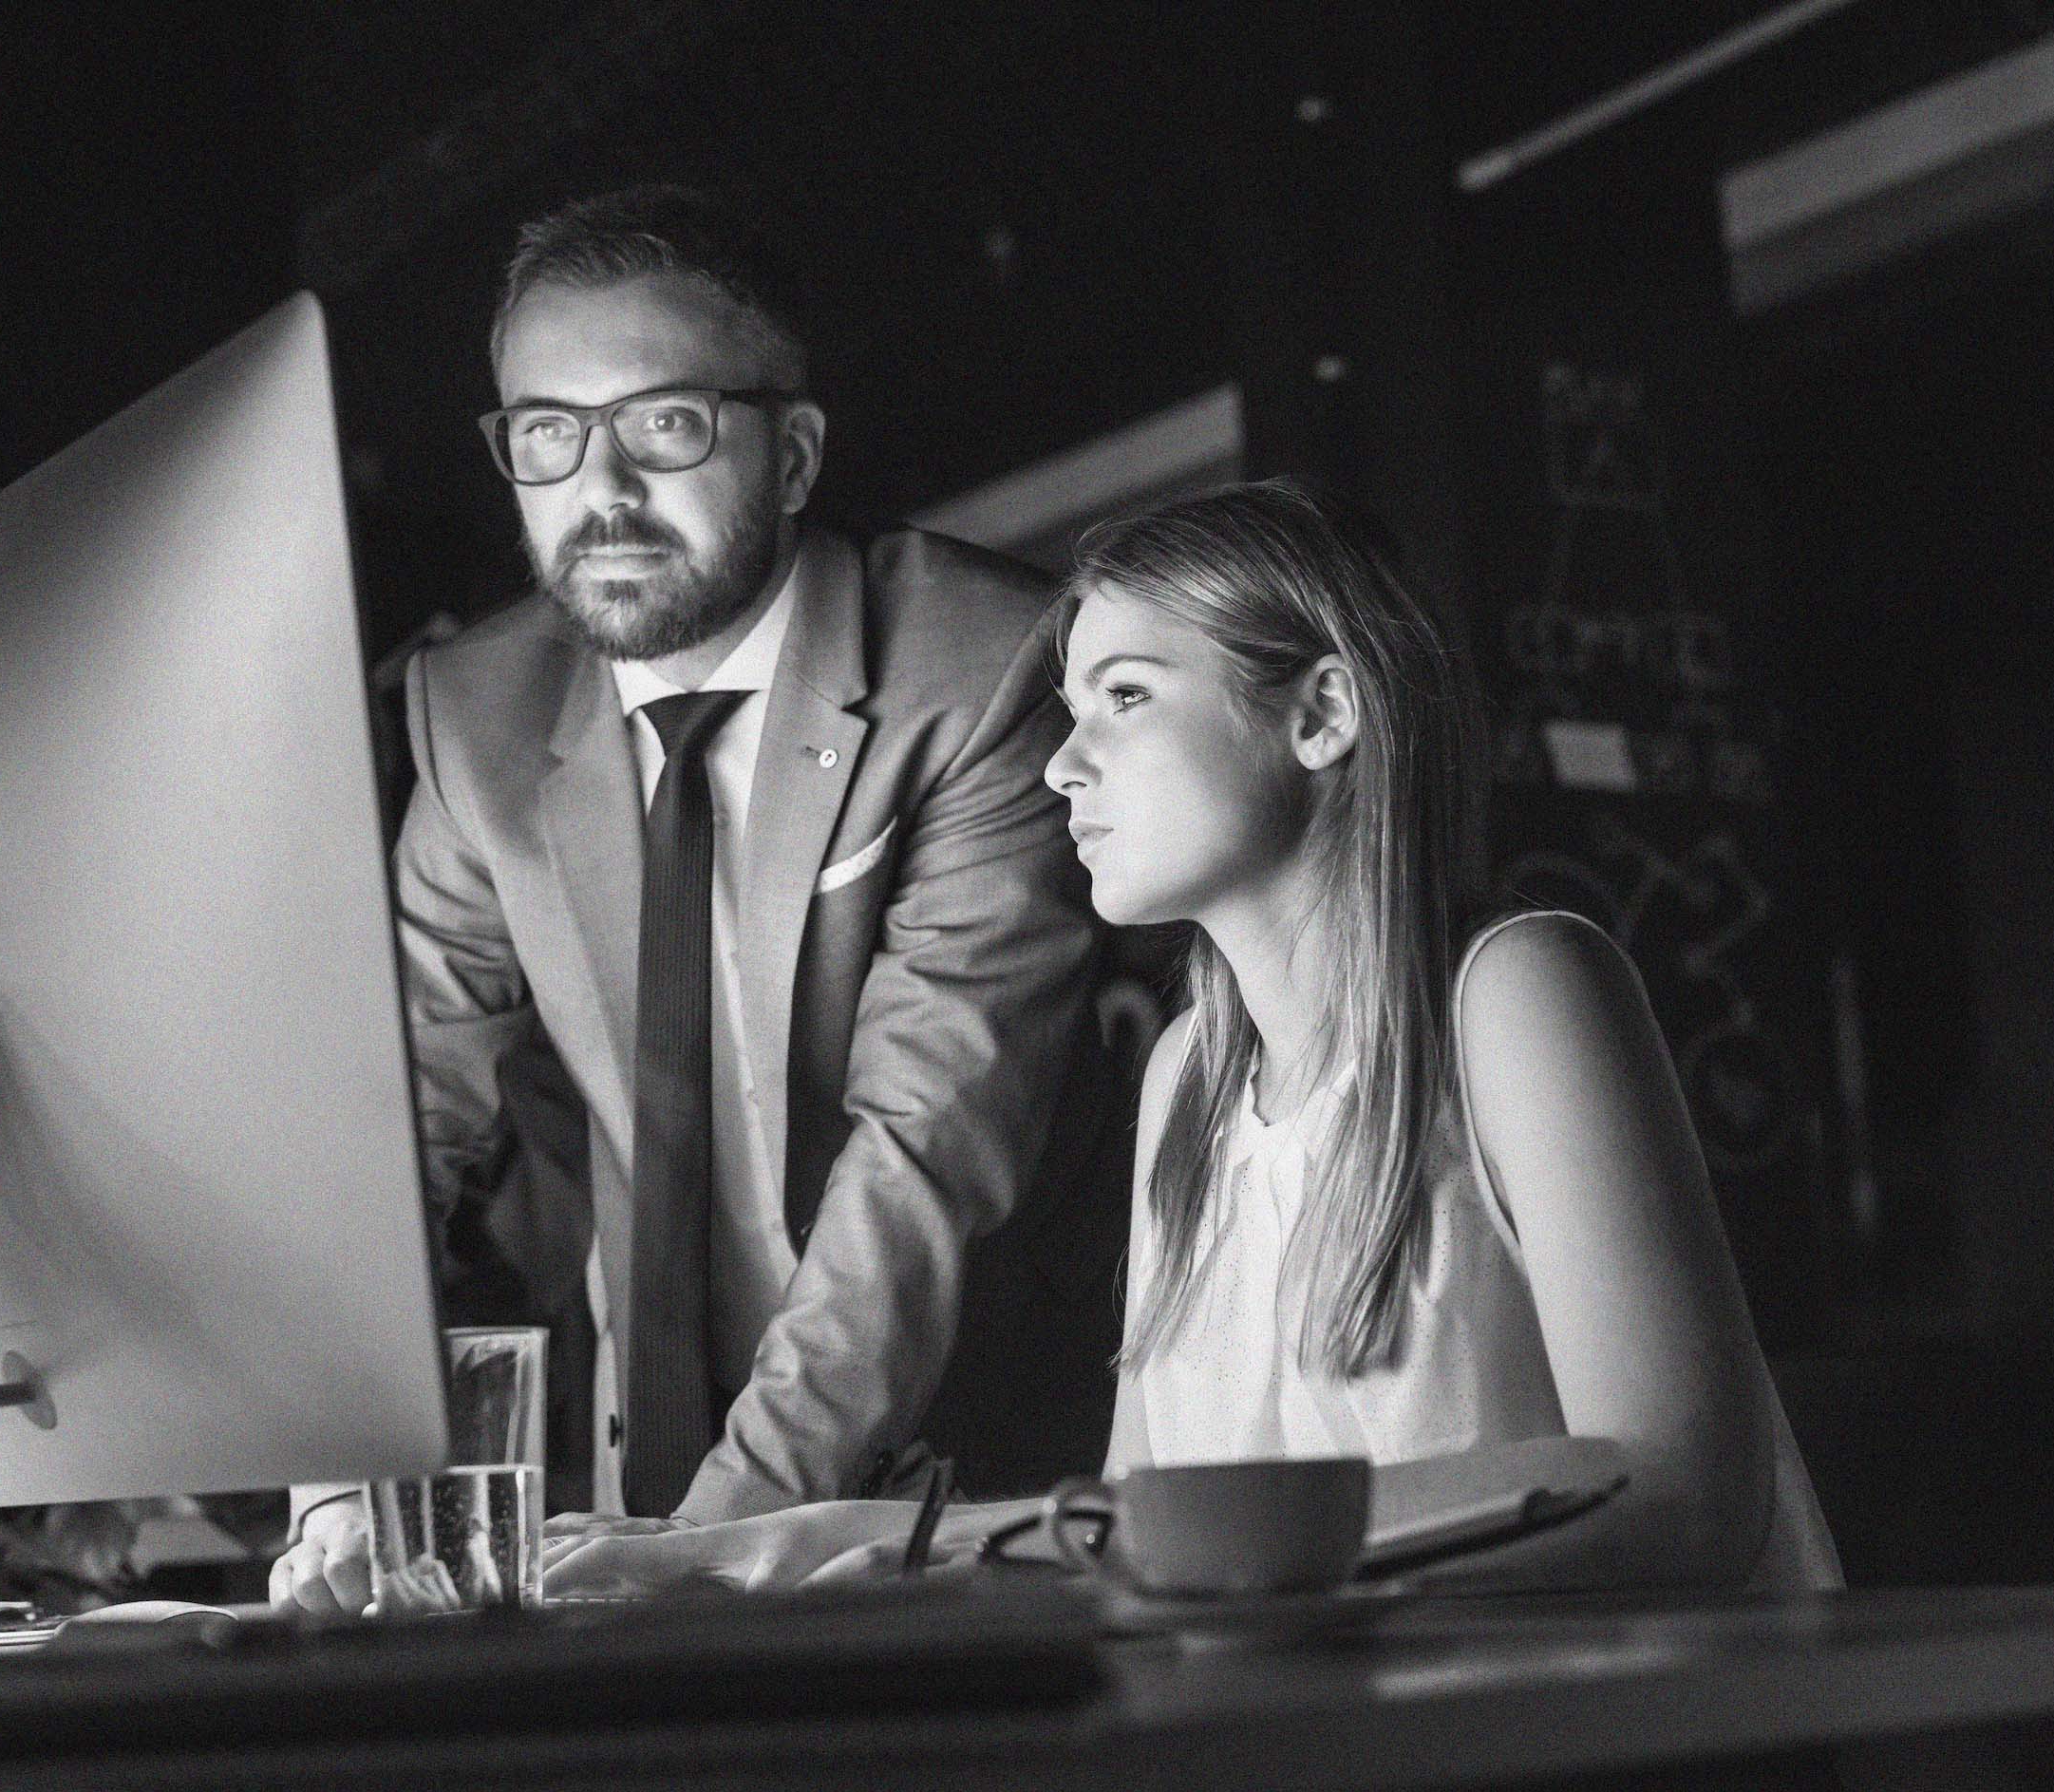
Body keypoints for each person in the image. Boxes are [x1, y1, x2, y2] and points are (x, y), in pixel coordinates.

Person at [543, 481, 1841, 1599]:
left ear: (1321, 713)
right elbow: (1132, 1540)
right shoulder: (1184, 1084)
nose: (1061, 766)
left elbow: (1685, 1494)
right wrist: (755, 1553)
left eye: (1122, 696)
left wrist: (815, 1550)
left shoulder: (1518, 990)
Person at [272, 186, 1105, 1616]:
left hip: (964, 1504)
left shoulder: (978, 666)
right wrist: (337, 1483)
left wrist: (710, 1553)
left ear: (791, 453)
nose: (599, 492)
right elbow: (392, 1118)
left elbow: (923, 1153)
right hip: (636, 1479)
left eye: (664, 424)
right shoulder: (474, 713)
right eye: (548, 433)